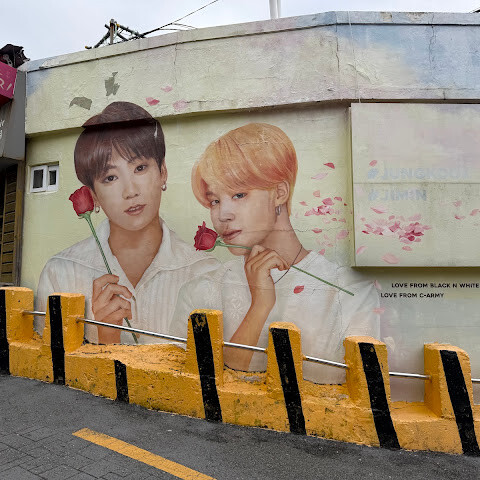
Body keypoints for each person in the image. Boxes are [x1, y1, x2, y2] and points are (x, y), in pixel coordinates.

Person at [172, 123, 380, 383]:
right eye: (215, 200)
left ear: (280, 193)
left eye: (239, 194)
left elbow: (357, 390)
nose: (222, 214)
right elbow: (188, 388)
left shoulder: (350, 293)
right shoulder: (200, 292)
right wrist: (260, 306)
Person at [36, 102, 219, 344]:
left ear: (162, 172)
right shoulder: (61, 273)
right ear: (93, 195)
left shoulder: (206, 272)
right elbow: (48, 363)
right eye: (110, 177)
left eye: (140, 168)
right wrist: (106, 339)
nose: (130, 191)